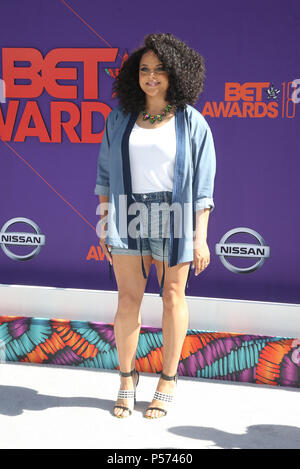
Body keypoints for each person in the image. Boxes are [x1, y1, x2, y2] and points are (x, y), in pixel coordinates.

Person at [94, 32, 216, 419]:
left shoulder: (192, 122)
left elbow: (203, 188)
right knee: (128, 300)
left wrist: (201, 238)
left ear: (175, 74)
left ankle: (167, 379)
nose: (151, 77)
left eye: (159, 70)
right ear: (135, 76)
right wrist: (105, 224)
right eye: (144, 70)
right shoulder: (120, 118)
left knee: (172, 297)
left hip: (175, 214)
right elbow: (104, 179)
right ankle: (126, 379)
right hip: (127, 213)